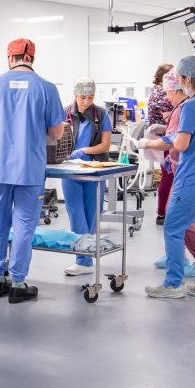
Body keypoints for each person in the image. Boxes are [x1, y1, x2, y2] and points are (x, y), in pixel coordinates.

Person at [0, 38, 65, 303]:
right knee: (24, 225)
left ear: (10, 57)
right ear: (32, 58)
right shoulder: (47, 88)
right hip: (29, 168)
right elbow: (57, 132)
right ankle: (18, 284)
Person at [144, 56, 195, 300]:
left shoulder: (191, 105)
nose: (178, 84)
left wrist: (159, 140)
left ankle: (173, 284)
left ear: (188, 78)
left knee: (173, 228)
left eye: (179, 79)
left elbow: (182, 143)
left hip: (194, 176)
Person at [135, 69, 195, 276]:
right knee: (172, 213)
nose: (165, 96)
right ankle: (177, 256)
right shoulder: (181, 108)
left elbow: (174, 140)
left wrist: (147, 143)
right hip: (177, 166)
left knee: (181, 218)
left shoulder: (186, 108)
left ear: (175, 88)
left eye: (167, 92)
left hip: (187, 171)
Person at [61, 77, 111, 276]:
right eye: (82, 98)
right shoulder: (64, 112)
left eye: (90, 98)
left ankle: (86, 259)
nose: (86, 102)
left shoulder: (102, 114)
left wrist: (85, 150)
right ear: (75, 95)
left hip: (93, 170)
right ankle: (82, 259)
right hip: (70, 170)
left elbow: (105, 145)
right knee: (76, 215)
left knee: (92, 215)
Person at [148, 64, 175, 225]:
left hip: (160, 137)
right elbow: (170, 122)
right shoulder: (164, 94)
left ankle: (162, 212)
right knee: (168, 175)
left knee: (167, 175)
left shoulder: (154, 92)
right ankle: (163, 213)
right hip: (167, 139)